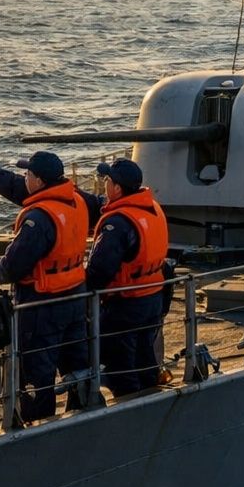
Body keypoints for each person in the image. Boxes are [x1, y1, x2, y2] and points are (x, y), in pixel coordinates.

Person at [0, 149, 100, 422]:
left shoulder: (39, 219)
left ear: (38, 180)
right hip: (74, 297)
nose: (24, 178)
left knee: (36, 372)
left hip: (40, 305)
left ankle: (38, 427)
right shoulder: (75, 201)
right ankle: (86, 413)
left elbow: (13, 266)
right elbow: (15, 187)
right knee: (77, 363)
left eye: (28, 174)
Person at [87, 158, 169, 397]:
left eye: (107, 181)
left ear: (117, 188)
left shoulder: (118, 223)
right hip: (153, 295)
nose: (104, 185)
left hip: (127, 302)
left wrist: (83, 293)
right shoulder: (151, 207)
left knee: (121, 362)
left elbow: (100, 269)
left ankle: (130, 407)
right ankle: (150, 394)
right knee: (144, 355)